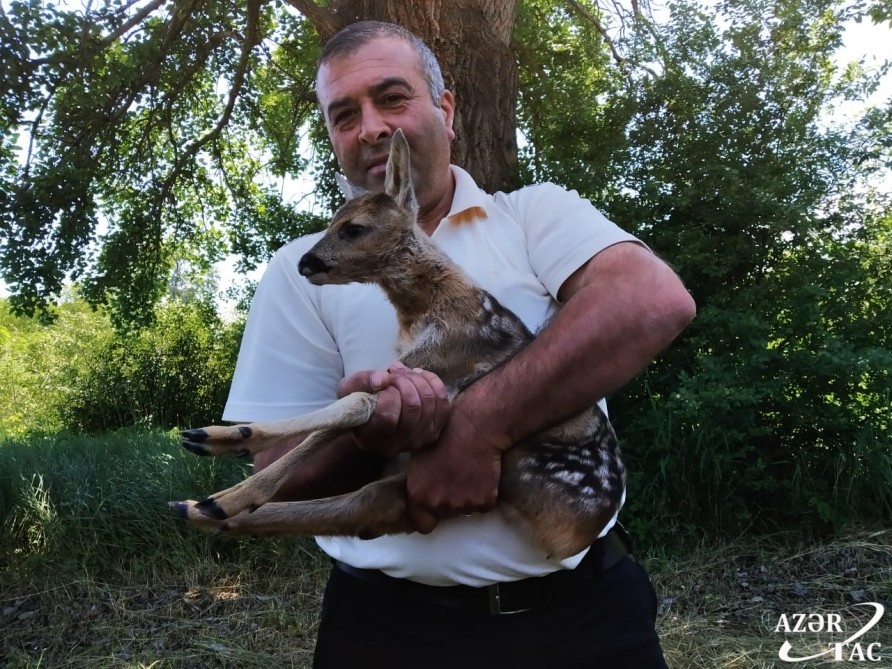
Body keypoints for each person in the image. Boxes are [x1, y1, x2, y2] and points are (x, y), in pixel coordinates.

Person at [223, 20, 696, 669]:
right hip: (388, 629)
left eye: (392, 98)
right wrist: (374, 435)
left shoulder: (532, 216)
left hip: (580, 618)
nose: (370, 127)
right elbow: (275, 472)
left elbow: (648, 300)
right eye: (344, 115)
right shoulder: (303, 267)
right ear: (333, 139)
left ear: (445, 110)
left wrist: (475, 429)